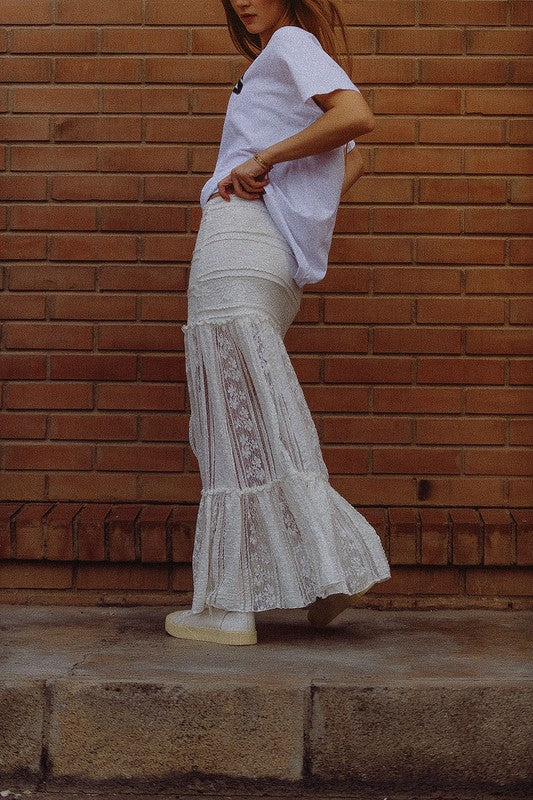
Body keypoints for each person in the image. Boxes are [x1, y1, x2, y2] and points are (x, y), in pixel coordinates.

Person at [165, 0, 391, 646]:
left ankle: (230, 607)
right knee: (254, 417)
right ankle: (329, 569)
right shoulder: (286, 60)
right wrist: (290, 193)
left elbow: (355, 117)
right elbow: (352, 159)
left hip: (237, 246)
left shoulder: (289, 46)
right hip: (270, 258)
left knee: (232, 425)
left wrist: (262, 161)